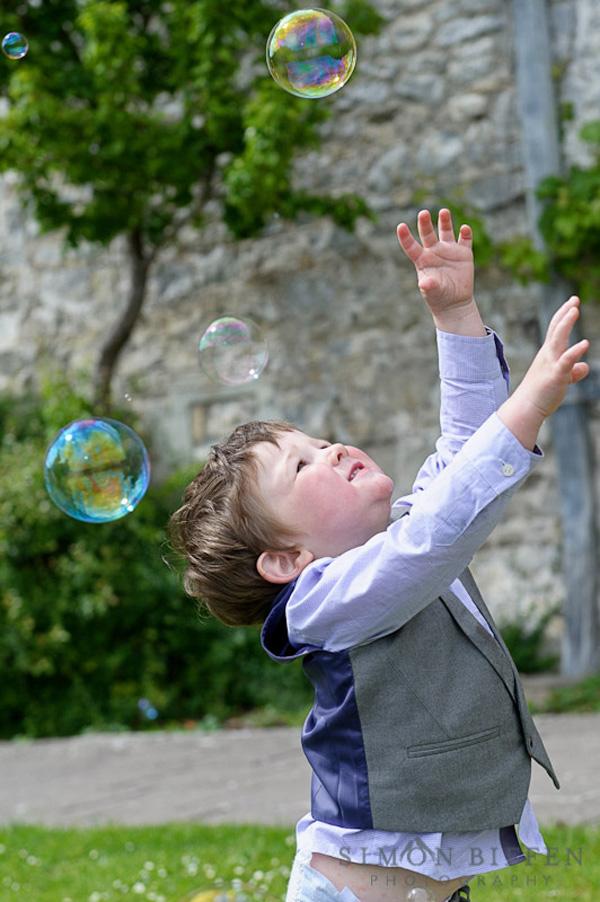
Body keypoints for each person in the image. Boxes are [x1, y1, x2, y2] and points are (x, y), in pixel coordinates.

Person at [168, 209, 591, 902]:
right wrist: (530, 405)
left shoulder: (395, 534)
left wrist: (455, 315)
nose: (330, 449)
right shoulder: (319, 601)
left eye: (318, 440)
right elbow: (439, 535)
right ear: (287, 558)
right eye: (302, 468)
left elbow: (462, 454)